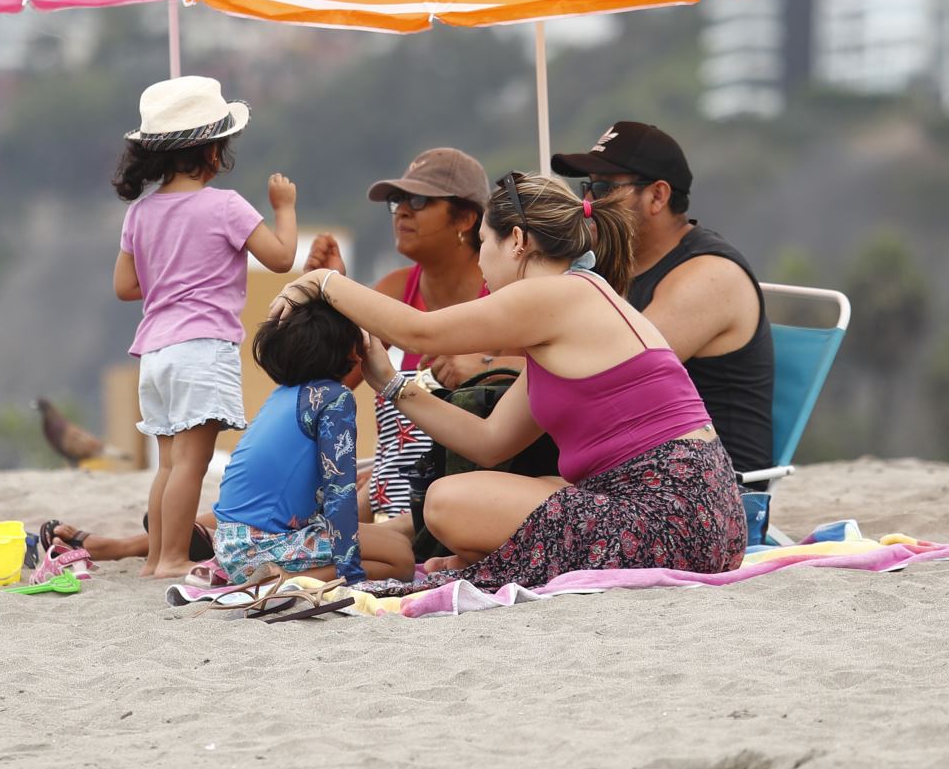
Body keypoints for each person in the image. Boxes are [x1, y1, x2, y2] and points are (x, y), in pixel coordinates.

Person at [271, 171, 747, 589]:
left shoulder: (555, 294)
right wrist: (391, 384)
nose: (479, 261)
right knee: (504, 489)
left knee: (446, 501)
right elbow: (488, 442)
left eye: (483, 242)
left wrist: (323, 284)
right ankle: (501, 559)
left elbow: (418, 328)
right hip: (711, 520)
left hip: (674, 519)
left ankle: (500, 560)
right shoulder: (574, 299)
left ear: (517, 240)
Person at [113, 76, 298, 579]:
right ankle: (173, 556)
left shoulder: (141, 211)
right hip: (201, 348)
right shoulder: (226, 206)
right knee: (193, 463)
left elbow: (127, 286)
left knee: (169, 463)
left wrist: (170, 274)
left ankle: (155, 556)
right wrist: (284, 209)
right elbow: (281, 260)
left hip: (155, 353)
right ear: (213, 153)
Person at [300, 148, 519, 524]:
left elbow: (547, 376)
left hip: (488, 482)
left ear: (466, 217)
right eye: (396, 200)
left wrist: (487, 365)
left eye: (418, 200)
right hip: (402, 487)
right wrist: (328, 305)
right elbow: (330, 384)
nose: (402, 210)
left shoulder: (505, 292)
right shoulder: (396, 288)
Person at [550, 122, 775, 477]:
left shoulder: (710, 277)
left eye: (605, 187)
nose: (589, 202)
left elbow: (608, 375)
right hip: (640, 468)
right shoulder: (618, 263)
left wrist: (491, 365)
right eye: (587, 187)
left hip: (712, 492)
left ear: (657, 196)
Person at [212, 297, 415, 585]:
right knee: (401, 559)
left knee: (392, 542)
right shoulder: (334, 398)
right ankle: (281, 581)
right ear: (350, 350)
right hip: (261, 546)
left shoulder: (285, 394)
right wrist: (351, 574)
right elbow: (340, 492)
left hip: (232, 544)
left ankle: (286, 575)